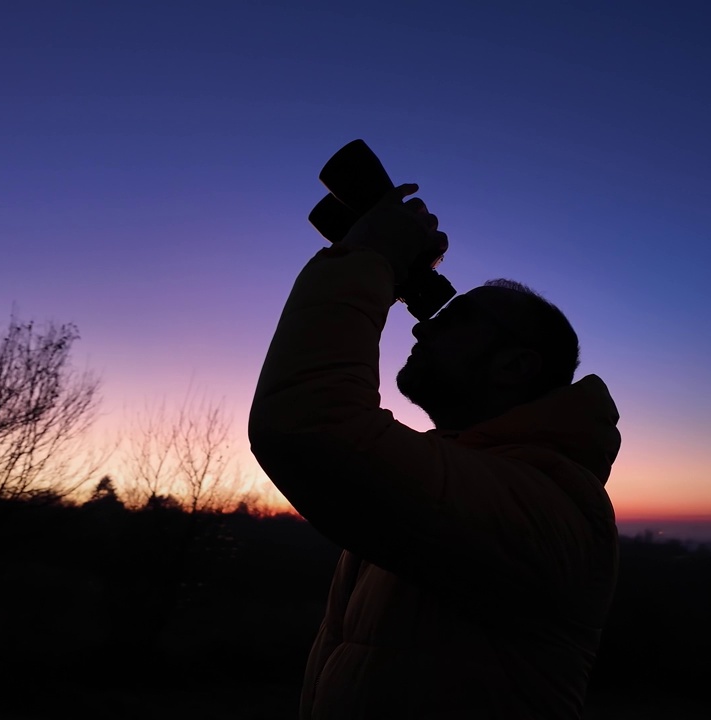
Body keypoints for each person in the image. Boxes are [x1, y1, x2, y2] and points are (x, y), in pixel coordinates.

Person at [249, 183, 621, 719]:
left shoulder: (552, 509)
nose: (425, 324)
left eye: (459, 317)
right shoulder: (463, 483)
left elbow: (311, 424)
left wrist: (369, 257)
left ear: (515, 366)